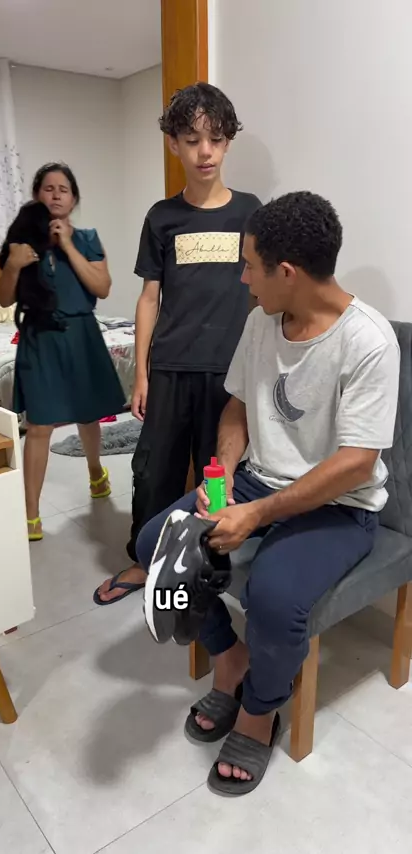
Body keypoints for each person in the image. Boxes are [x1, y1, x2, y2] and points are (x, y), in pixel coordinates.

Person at [135, 191, 400, 796]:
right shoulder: (261, 320)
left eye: (249, 266)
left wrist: (256, 515)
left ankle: (259, 711)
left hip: (340, 506)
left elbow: (357, 463)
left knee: (274, 598)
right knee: (155, 544)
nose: (242, 278)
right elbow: (237, 405)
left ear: (287, 272)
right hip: (255, 482)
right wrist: (224, 477)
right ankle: (229, 658)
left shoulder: (368, 341)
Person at [94, 82, 261, 605]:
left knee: (219, 473)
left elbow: (263, 295)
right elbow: (149, 299)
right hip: (169, 368)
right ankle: (145, 559)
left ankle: (207, 562)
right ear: (174, 144)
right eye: (191, 140)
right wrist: (141, 373)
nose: (204, 152)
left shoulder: (251, 212)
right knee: (154, 470)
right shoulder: (162, 217)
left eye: (215, 139)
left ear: (228, 142)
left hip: (229, 373)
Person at [0, 163, 126, 541]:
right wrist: (14, 266)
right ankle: (31, 513)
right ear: (37, 195)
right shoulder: (22, 241)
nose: (55, 194)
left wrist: (68, 245)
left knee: (88, 414)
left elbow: (102, 287)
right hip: (40, 337)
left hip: (82, 335)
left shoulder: (86, 238)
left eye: (63, 189)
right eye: (48, 188)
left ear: (73, 199)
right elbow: (4, 298)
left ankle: (95, 472)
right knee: (39, 425)